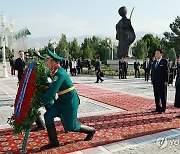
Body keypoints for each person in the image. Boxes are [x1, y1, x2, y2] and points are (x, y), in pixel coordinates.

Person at [41, 49, 96, 150]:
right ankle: (54, 142)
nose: (46, 62)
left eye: (47, 60)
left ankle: (90, 130)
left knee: (72, 127)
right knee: (48, 115)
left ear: (53, 61)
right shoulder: (54, 71)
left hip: (70, 102)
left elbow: (52, 92)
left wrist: (39, 100)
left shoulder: (59, 74)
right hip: (61, 100)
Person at [30, 51, 46, 132]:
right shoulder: (35, 66)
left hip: (44, 92)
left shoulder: (41, 67)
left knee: (33, 107)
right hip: (38, 91)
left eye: (35, 57)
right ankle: (40, 124)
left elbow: (45, 80)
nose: (34, 59)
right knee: (32, 107)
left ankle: (41, 125)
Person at [151, 49, 169, 114]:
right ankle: (158, 107)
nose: (156, 55)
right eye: (155, 53)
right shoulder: (154, 62)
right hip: (155, 82)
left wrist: (166, 81)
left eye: (157, 53)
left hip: (162, 82)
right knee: (156, 95)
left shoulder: (164, 61)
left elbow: (166, 72)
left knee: (163, 96)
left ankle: (163, 109)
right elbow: (153, 72)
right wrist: (152, 80)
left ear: (161, 54)